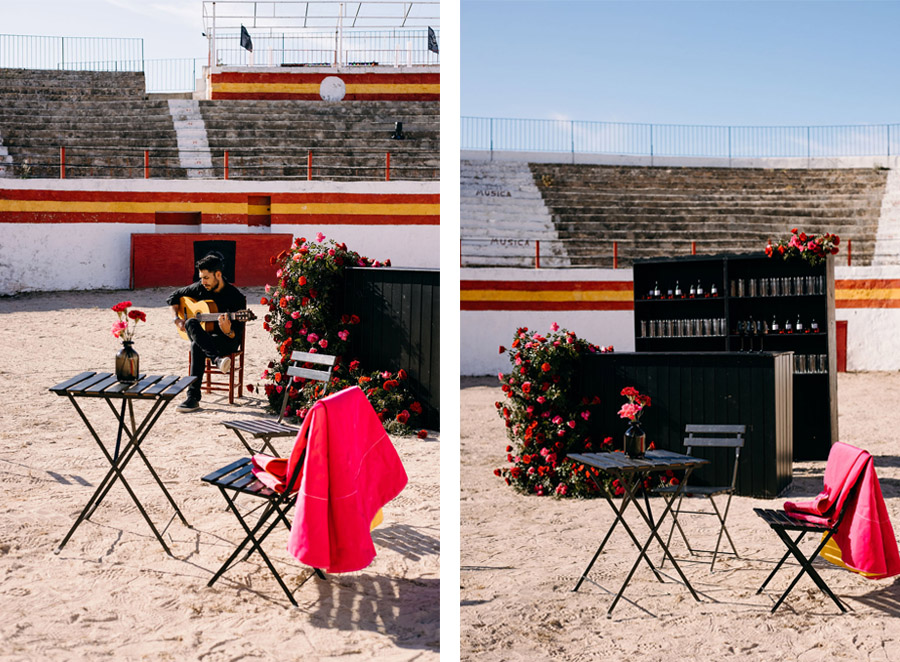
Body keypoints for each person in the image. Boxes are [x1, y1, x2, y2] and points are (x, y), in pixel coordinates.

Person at [167, 252, 246, 412]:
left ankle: (192, 398)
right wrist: (176, 318)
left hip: (226, 341)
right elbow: (173, 297)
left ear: (218, 274)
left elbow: (236, 336)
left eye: (206, 278)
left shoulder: (235, 296)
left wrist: (228, 330)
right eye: (201, 277)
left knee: (197, 345)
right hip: (206, 339)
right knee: (190, 322)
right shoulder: (200, 288)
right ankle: (216, 360)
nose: (202, 282)